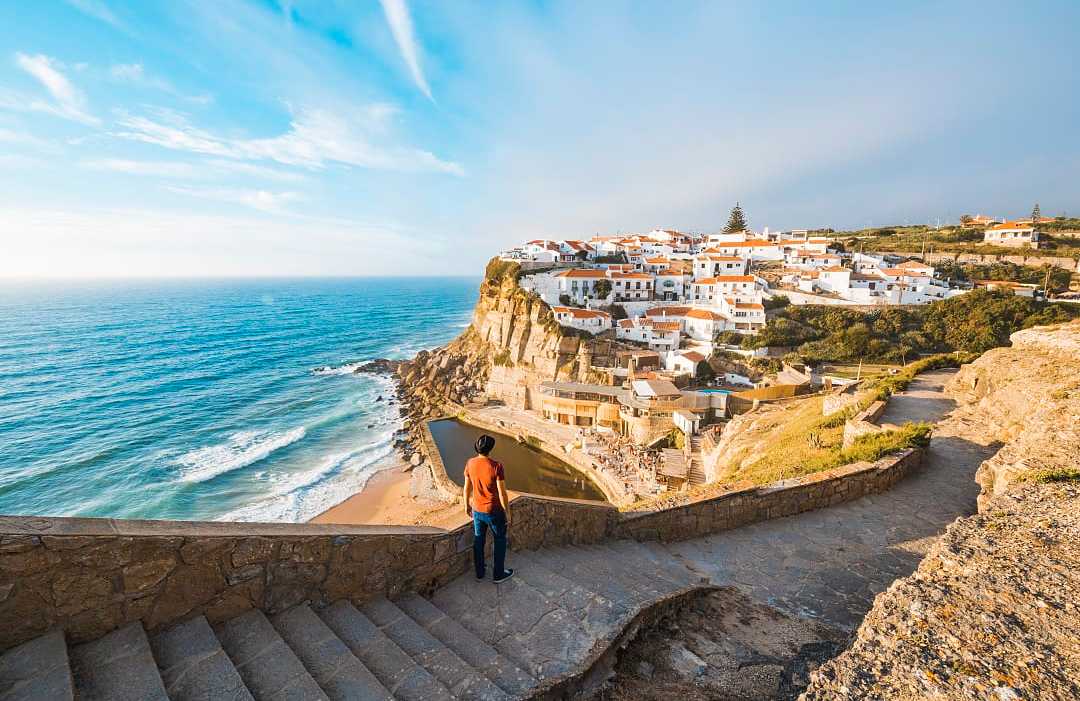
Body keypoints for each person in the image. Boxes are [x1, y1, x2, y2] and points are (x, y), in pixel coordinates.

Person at [463, 434, 514, 583]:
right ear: (490, 449)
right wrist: (507, 512)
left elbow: (466, 488)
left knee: (479, 540)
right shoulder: (496, 466)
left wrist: (466, 505)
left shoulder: (470, 463)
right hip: (494, 511)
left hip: (477, 510)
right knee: (499, 541)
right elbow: (502, 493)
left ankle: (480, 572)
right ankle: (498, 574)